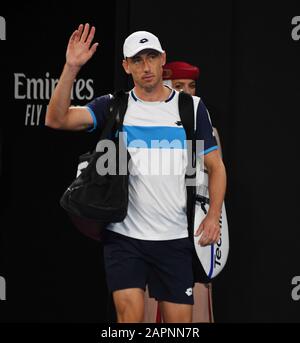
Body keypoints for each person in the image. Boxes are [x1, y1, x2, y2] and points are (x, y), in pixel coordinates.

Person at [45, 23, 226, 323]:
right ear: (126, 65)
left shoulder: (191, 108)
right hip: (124, 237)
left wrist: (213, 215)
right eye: (138, 60)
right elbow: (56, 118)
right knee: (128, 321)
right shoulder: (114, 106)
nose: (146, 67)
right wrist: (71, 67)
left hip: (176, 238)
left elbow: (215, 166)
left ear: (163, 59)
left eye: (152, 57)